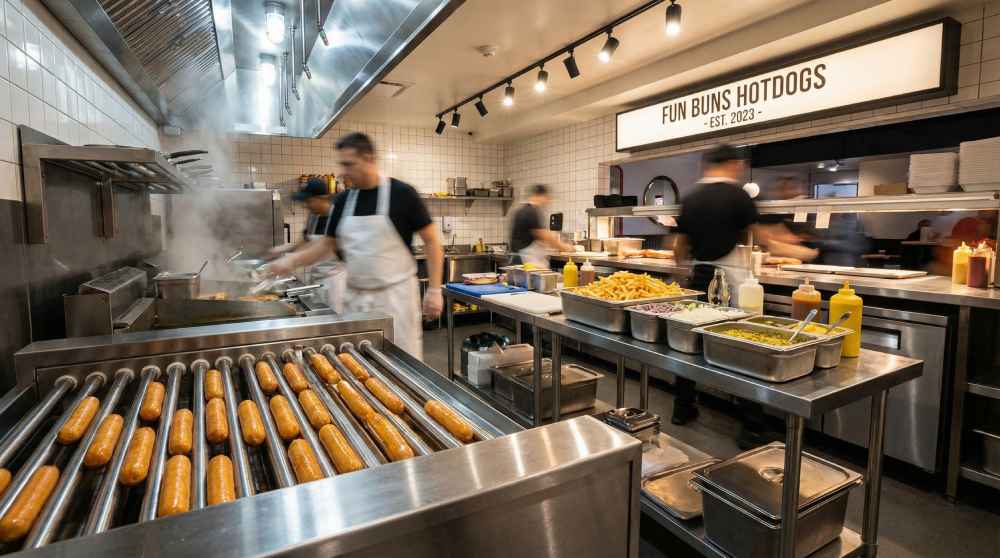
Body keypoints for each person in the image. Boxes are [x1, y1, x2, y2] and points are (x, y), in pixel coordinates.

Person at [268, 132, 444, 359]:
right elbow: (325, 246)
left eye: (349, 164)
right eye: (342, 164)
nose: (344, 171)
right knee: (359, 367)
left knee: (402, 365)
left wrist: (434, 290)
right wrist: (290, 260)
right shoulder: (343, 201)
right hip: (356, 300)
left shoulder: (402, 194)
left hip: (395, 300)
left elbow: (432, 242)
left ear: (369, 158)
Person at [671, 145, 768, 446]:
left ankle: (682, 409)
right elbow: (759, 236)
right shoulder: (738, 195)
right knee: (738, 346)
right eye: (738, 164)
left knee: (689, 342)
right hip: (729, 279)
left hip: (699, 276)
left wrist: (679, 275)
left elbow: (679, 246)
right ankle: (751, 427)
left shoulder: (690, 198)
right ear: (731, 164)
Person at [509, 184, 573, 267]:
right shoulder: (531, 212)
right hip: (526, 261)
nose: (548, 201)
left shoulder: (522, 210)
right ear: (541, 196)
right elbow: (544, 235)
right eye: (547, 197)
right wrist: (565, 247)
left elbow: (534, 236)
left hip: (518, 257)